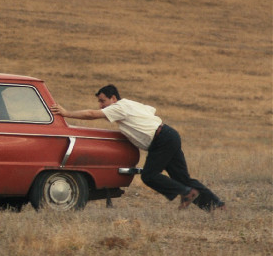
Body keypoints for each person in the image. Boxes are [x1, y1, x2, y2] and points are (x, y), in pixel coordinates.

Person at [49, 84, 225, 211]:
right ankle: (216, 206)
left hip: (161, 140)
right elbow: (151, 110)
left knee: (149, 176)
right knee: (183, 178)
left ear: (113, 98)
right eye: (99, 102)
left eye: (102, 101)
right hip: (169, 135)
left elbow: (92, 114)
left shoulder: (118, 107)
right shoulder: (130, 105)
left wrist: (66, 113)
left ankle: (186, 193)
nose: (100, 105)